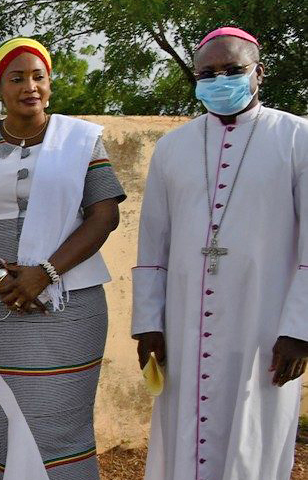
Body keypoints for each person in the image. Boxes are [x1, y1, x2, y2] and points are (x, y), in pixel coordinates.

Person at [0, 37, 125, 479]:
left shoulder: (82, 139)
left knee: (59, 420)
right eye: (16, 78)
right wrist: (0, 276)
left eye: (38, 77)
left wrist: (46, 273)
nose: (29, 87)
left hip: (69, 305)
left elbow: (104, 215)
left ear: (50, 84)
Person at [132, 26, 308, 480]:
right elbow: (153, 242)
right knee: (183, 433)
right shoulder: (173, 147)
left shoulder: (297, 138)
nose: (219, 80)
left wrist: (300, 329)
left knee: (256, 428)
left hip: (264, 321)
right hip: (185, 322)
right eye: (207, 73)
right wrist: (149, 322)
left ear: (259, 73)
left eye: (233, 70)